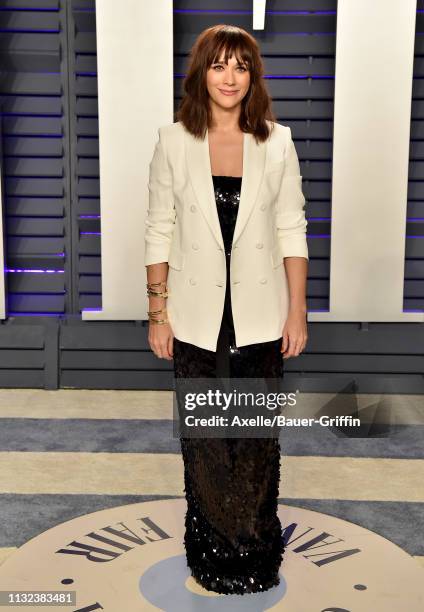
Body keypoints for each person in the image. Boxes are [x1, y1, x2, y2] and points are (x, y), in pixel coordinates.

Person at [144, 24, 308, 595]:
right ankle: (213, 552)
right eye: (219, 65)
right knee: (207, 436)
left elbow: (292, 228)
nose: (230, 77)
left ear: (252, 75)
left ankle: (256, 552)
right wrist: (157, 313)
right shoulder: (173, 140)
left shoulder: (277, 141)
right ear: (201, 73)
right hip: (194, 313)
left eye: (240, 65)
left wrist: (298, 311)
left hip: (262, 312)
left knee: (256, 437)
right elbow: (158, 229)